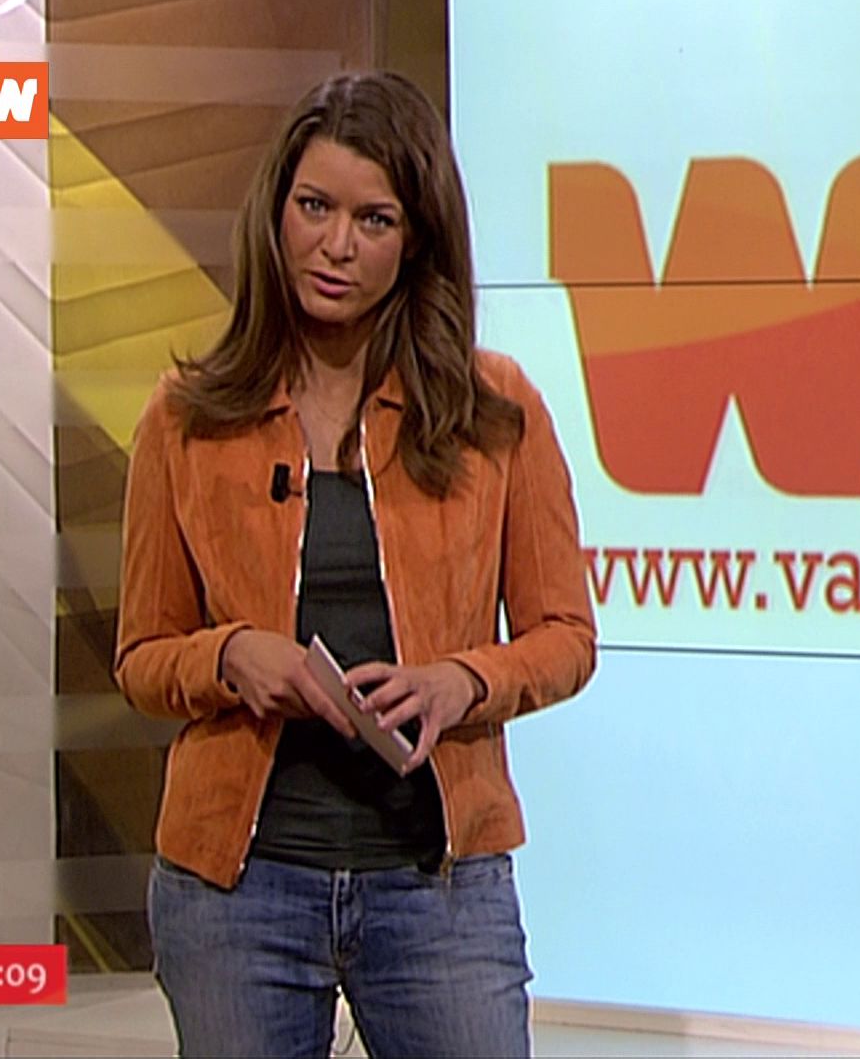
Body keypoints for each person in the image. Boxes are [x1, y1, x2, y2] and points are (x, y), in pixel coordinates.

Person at [114, 70, 596, 1058]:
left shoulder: (494, 410)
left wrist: (460, 681)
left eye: (374, 220)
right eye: (315, 207)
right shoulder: (185, 417)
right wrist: (230, 656)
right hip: (237, 893)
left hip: (437, 888)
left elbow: (566, 638)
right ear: (275, 213)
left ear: (416, 239)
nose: (337, 245)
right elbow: (142, 657)